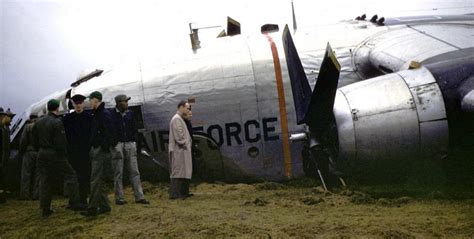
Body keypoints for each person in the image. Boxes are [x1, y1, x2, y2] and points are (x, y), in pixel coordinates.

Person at [32, 99, 82, 217]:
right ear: (57, 108)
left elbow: (33, 140)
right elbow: (61, 142)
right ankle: (74, 202)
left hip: (41, 153)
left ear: (48, 108)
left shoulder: (38, 122)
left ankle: (45, 208)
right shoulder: (57, 122)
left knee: (45, 180)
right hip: (54, 154)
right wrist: (64, 154)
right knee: (71, 175)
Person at [110, 94, 149, 205]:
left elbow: (134, 128)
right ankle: (120, 198)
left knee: (134, 171)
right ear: (118, 103)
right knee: (118, 172)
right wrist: (115, 143)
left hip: (129, 143)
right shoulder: (112, 115)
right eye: (124, 101)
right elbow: (110, 130)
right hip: (119, 144)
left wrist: (134, 141)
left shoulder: (129, 114)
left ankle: (139, 196)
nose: (127, 103)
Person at [81, 91, 113, 217]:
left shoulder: (103, 114)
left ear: (96, 100)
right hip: (99, 149)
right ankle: (105, 206)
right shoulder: (100, 113)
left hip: (99, 150)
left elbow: (109, 133)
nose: (89, 102)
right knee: (100, 180)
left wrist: (101, 146)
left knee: (95, 180)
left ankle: (92, 208)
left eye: (91, 100)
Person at [63, 94, 92, 206]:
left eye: (80, 103)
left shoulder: (89, 117)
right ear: (73, 104)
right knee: (73, 177)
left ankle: (83, 199)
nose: (78, 105)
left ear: (83, 104)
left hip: (85, 152)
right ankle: (73, 200)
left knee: (84, 176)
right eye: (76, 103)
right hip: (73, 152)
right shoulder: (68, 119)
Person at [168, 100, 193, 199]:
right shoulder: (176, 119)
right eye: (187, 108)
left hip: (183, 150)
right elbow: (179, 136)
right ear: (181, 107)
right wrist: (185, 143)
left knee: (184, 171)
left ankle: (183, 192)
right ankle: (175, 194)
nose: (188, 110)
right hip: (180, 150)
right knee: (178, 171)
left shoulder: (180, 119)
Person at [19, 114, 40, 200]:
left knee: (26, 174)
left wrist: (21, 151)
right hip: (39, 152)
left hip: (29, 152)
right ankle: (36, 195)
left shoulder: (27, 127)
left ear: (30, 119)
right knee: (37, 175)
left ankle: (25, 195)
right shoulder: (41, 127)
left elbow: (23, 141)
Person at [0, 107, 15, 203]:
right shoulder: (2, 129)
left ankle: (3, 196)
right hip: (1, 156)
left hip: (4, 156)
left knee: (3, 176)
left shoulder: (5, 128)